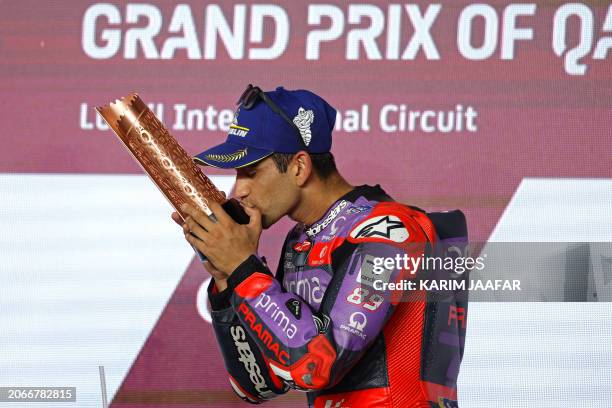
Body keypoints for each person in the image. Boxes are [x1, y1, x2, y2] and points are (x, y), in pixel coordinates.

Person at [172, 85, 465, 407]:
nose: (237, 190)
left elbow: (318, 364)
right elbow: (258, 385)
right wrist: (227, 278)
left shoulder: (391, 230)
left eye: (250, 172)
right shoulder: (301, 241)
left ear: (299, 167)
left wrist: (244, 270)